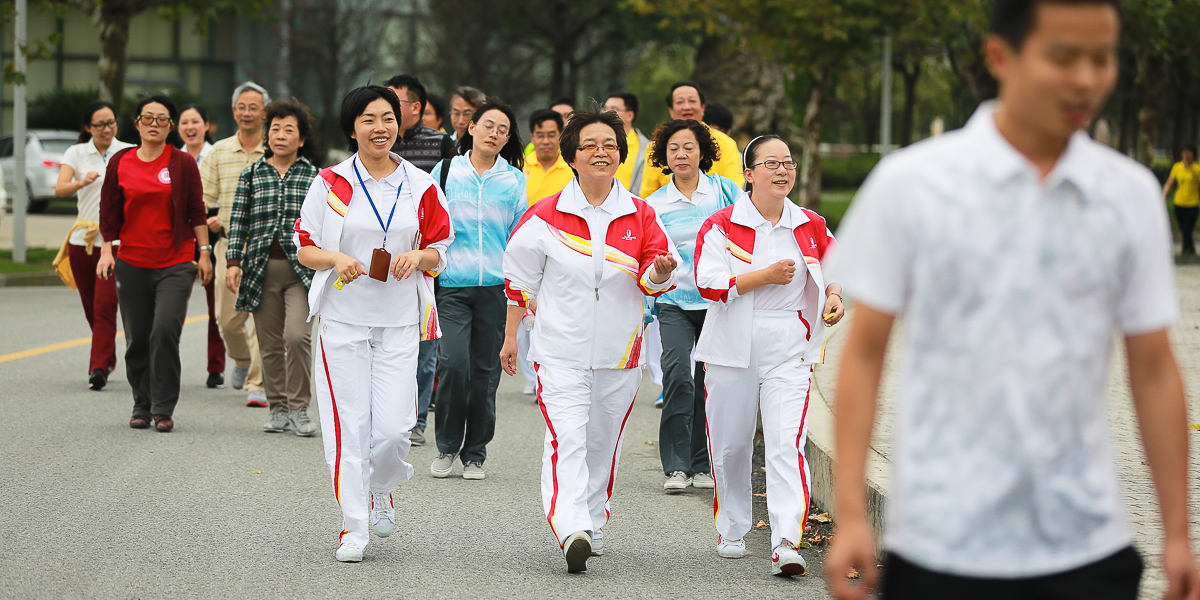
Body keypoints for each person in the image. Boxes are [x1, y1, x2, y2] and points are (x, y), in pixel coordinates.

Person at [826, 1, 1200, 599]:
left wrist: (1178, 534)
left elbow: (1154, 367)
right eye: (1063, 57)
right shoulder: (913, 184)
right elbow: (864, 355)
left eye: (1102, 59)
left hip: (1088, 545)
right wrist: (850, 514)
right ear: (1001, 56)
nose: (1085, 78)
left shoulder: (1128, 196)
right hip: (939, 546)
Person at [500, 104, 680, 573]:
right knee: (567, 438)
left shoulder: (641, 215)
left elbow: (657, 274)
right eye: (589, 145)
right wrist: (513, 334)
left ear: (620, 153)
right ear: (572, 156)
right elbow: (518, 279)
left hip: (620, 352)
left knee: (603, 442)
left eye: (609, 145)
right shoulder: (544, 215)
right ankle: (570, 527)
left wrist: (658, 272)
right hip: (560, 349)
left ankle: (592, 522)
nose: (601, 152)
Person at [294, 85, 454, 563]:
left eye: (387, 117)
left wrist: (420, 255)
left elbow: (442, 249)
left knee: (391, 430)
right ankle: (352, 526)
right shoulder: (330, 183)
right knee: (349, 425)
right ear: (352, 128)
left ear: (399, 124)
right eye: (368, 119)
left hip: (400, 321)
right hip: (343, 320)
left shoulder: (421, 184)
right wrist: (336, 257)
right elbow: (304, 245)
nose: (379, 127)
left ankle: (382, 486)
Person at [693, 134, 842, 576]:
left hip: (790, 346)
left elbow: (837, 267)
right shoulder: (721, 224)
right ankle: (733, 527)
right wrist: (765, 276)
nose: (783, 170)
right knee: (732, 446)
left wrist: (833, 294)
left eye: (789, 163)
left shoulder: (809, 223)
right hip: (731, 345)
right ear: (749, 173)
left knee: (784, 444)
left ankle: (784, 542)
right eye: (772, 163)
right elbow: (710, 284)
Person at [97, 94, 213, 432]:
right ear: (136, 124)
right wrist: (107, 251)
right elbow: (109, 213)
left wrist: (204, 253)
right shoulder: (121, 161)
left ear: (171, 126)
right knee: (137, 337)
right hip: (131, 260)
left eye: (162, 119)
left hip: (175, 261)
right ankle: (141, 404)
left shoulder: (182, 163)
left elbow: (196, 211)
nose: (154, 124)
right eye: (147, 118)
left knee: (164, 330)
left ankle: (163, 407)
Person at [428, 101, 527, 480]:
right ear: (471, 127)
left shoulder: (514, 180)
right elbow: (431, 223)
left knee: (486, 373)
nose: (494, 134)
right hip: (452, 285)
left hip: (496, 290)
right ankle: (447, 446)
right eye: (488, 125)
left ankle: (475, 453)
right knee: (454, 363)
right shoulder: (446, 171)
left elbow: (519, 237)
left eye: (503, 129)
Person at [643, 119, 743, 493]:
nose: (681, 154)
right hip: (673, 302)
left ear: (703, 151)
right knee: (678, 377)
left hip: (718, 304)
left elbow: (745, 237)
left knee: (709, 383)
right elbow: (651, 255)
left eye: (688, 147)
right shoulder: (653, 204)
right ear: (664, 157)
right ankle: (676, 467)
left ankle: (702, 464)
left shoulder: (726, 192)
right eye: (673, 149)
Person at [226, 98, 319, 437]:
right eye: (275, 129)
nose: (280, 135)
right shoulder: (252, 173)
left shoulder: (314, 176)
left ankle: (300, 408)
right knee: (268, 343)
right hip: (260, 269)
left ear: (301, 138)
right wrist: (233, 262)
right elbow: (238, 221)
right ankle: (278, 408)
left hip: (302, 273)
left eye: (289, 129)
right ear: (267, 135)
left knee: (296, 337)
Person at [386, 75, 457, 447]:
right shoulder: (373, 148)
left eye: (394, 104)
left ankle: (416, 420)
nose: (383, 117)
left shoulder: (442, 145)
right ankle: (387, 414)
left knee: (425, 347)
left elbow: (449, 207)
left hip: (427, 262)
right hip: (382, 268)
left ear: (416, 107)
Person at [52, 99, 134, 391]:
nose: (106, 129)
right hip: (81, 243)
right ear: (88, 127)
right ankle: (107, 357)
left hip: (113, 243)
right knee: (91, 307)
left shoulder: (126, 152)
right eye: (99, 124)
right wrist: (80, 183)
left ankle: (97, 367)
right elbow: (59, 189)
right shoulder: (76, 152)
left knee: (105, 305)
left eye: (111, 122)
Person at [201, 81, 271, 407]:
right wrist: (210, 221)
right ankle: (242, 362)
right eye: (241, 107)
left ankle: (257, 383)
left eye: (253, 107)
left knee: (262, 320)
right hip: (227, 248)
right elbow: (203, 201)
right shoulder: (217, 152)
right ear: (234, 112)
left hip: (266, 248)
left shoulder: (275, 150)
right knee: (227, 321)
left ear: (264, 112)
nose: (246, 113)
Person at [518, 108, 574, 396]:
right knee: (526, 309)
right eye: (540, 135)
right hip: (527, 250)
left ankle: (553, 368)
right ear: (532, 137)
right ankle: (532, 375)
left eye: (552, 135)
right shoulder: (521, 167)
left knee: (554, 309)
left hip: (562, 249)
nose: (546, 141)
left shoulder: (571, 168)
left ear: (560, 136)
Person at [177, 104, 226, 389]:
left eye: (195, 121)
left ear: (206, 125)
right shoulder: (172, 158)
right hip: (180, 237)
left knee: (215, 306)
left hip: (213, 234)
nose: (190, 127)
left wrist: (220, 217)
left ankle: (215, 367)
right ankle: (167, 364)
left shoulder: (217, 154)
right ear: (178, 127)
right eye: (184, 122)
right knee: (172, 306)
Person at [640, 82, 743, 198]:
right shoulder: (656, 145)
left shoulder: (725, 143)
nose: (687, 107)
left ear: (703, 108)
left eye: (692, 101)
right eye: (680, 102)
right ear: (671, 111)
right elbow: (648, 193)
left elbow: (735, 188)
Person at [386, 75, 455, 173]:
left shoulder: (441, 142)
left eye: (394, 102)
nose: (387, 107)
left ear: (415, 108)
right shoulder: (380, 141)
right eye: (386, 101)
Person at [604, 92, 650, 194]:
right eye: (605, 108)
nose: (606, 113)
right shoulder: (591, 145)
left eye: (614, 109)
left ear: (630, 115)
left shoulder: (646, 149)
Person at [1163, 145, 1200, 255]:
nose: (1186, 155)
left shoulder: (1197, 169)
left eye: (1189, 153)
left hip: (1192, 204)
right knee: (1183, 228)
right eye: (1184, 153)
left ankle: (1185, 250)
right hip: (1179, 203)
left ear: (1193, 154)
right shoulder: (1177, 167)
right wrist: (1164, 194)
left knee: (1187, 228)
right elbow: (1170, 182)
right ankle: (1191, 249)